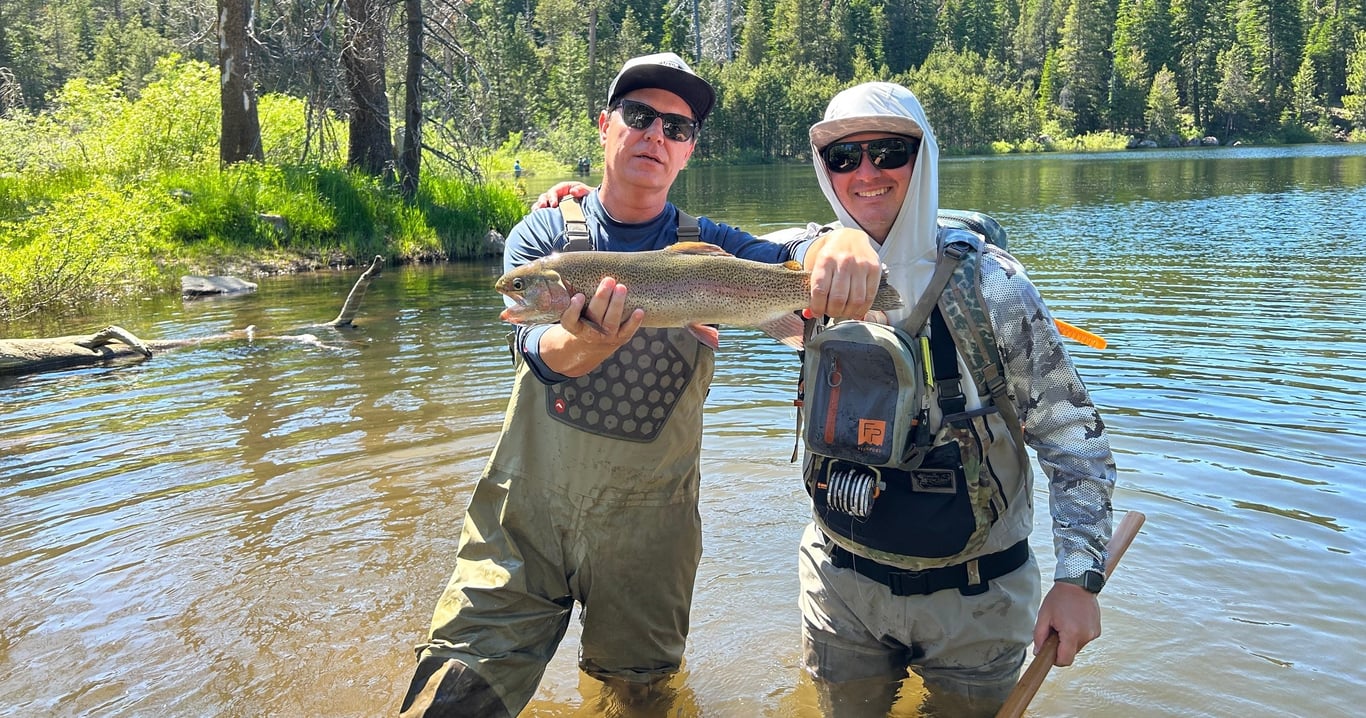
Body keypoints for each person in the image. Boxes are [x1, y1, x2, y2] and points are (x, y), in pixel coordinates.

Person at [398, 53, 882, 718]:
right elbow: (537, 349)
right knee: (449, 699)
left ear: (689, 151)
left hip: (651, 536)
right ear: (605, 125)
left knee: (638, 704)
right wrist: (587, 340)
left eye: (678, 129)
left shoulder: (711, 243)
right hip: (523, 530)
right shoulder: (544, 236)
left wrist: (844, 247)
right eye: (640, 116)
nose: (657, 135)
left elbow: (803, 262)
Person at [792, 81, 1117, 717]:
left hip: (976, 604)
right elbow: (704, 253)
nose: (866, 174)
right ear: (824, 171)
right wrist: (585, 203)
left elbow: (1072, 439)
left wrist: (1078, 580)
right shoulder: (801, 276)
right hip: (839, 588)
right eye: (844, 157)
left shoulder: (992, 285)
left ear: (925, 156)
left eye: (889, 151)